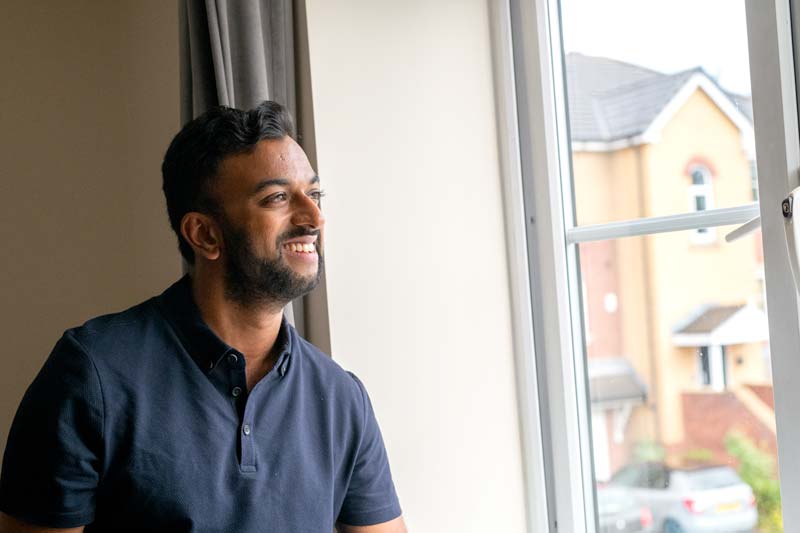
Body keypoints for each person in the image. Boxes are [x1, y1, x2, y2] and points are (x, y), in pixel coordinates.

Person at [0, 101, 405, 533]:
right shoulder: (91, 374)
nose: (314, 217)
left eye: (315, 194)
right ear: (204, 234)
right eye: (278, 198)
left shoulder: (342, 398)